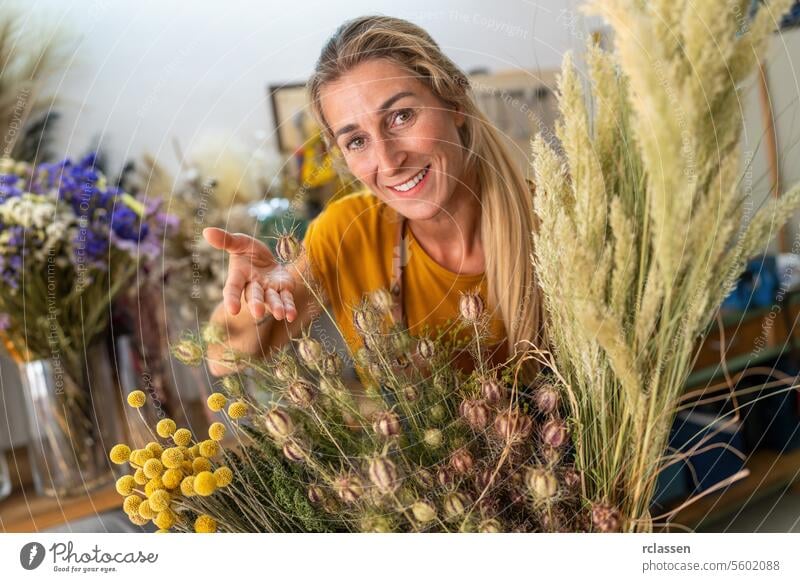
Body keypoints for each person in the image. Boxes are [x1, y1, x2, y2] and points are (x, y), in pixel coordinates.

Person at [203, 15, 545, 382]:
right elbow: (225, 358)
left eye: (401, 116)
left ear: (454, 102)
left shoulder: (553, 221)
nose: (388, 161)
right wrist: (253, 297)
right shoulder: (349, 232)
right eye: (357, 141)